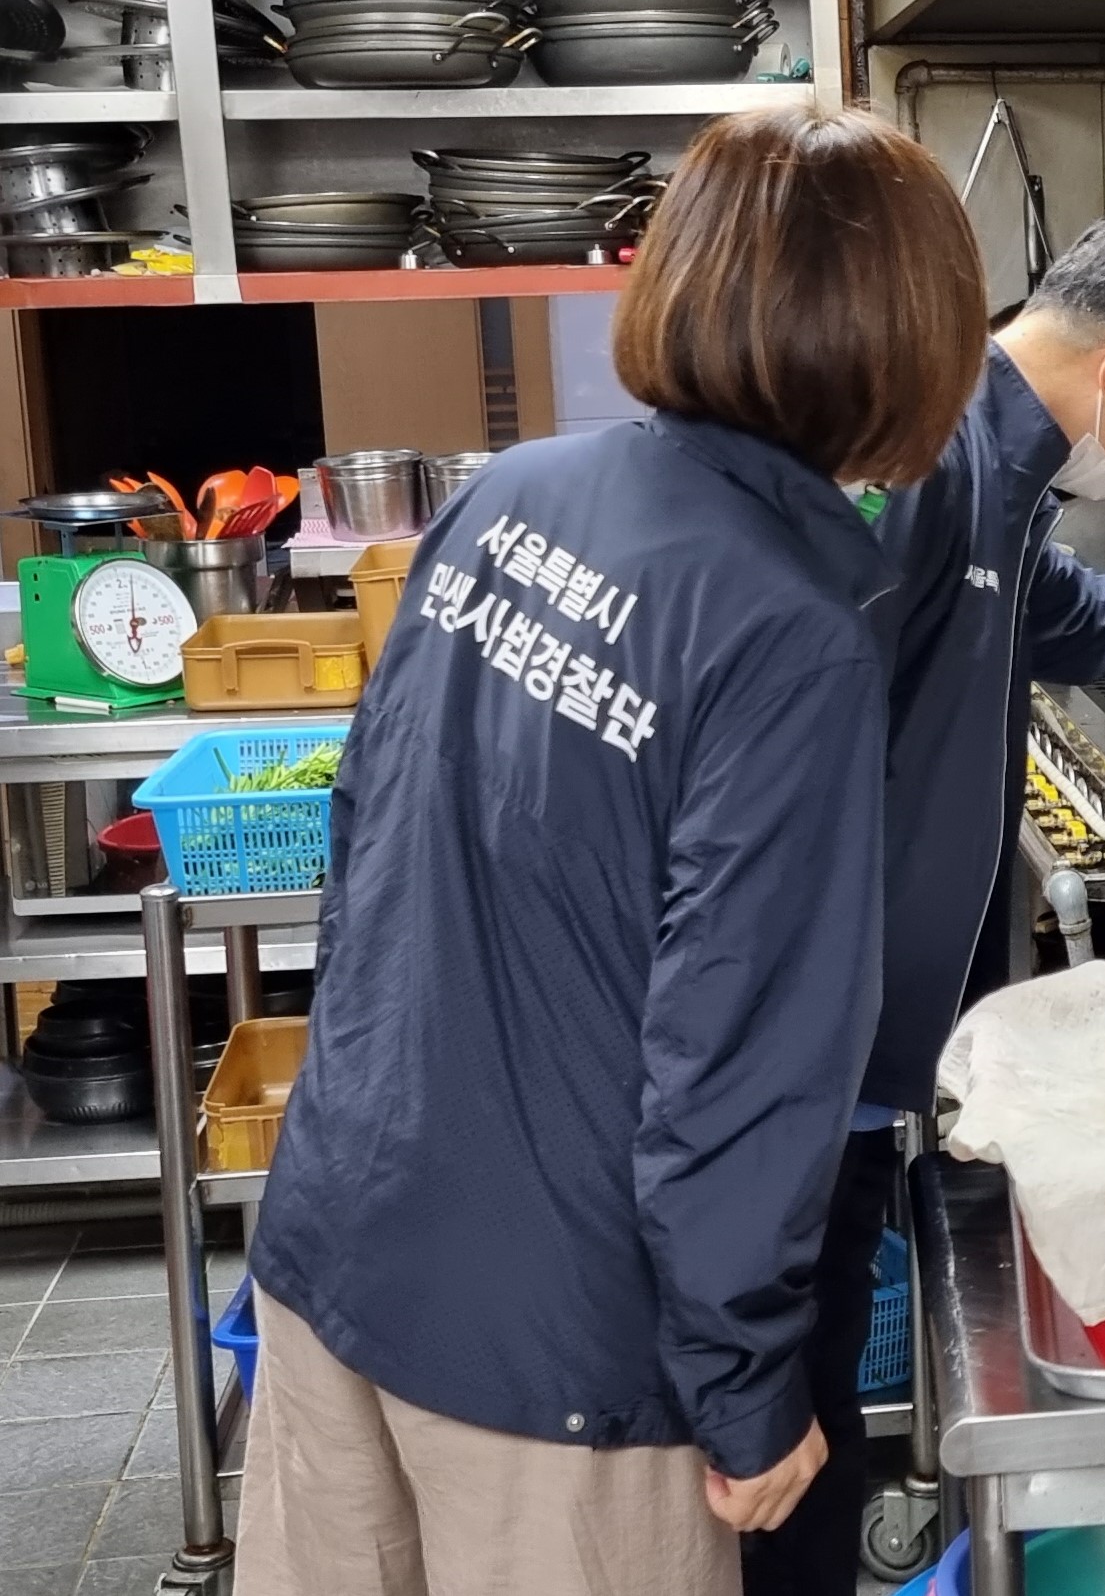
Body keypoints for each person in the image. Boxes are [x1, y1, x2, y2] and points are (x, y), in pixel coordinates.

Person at [236, 103, 987, 1596]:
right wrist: (747, 1383)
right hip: (559, 1374)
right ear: (911, 348)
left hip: (338, 1248)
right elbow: (739, 1062)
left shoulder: (516, 495)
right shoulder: (789, 629)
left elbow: (364, 842)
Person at [741, 211, 1105, 1596]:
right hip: (810, 1044)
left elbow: (1069, 619)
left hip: (855, 1047)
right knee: (780, 1413)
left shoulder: (997, 474)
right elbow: (785, 746)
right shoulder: (923, 458)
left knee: (804, 1377)